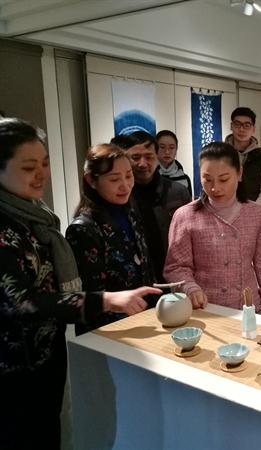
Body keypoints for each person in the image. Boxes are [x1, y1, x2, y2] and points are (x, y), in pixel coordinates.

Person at [0, 118, 161, 450]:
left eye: (45, 163)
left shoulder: (35, 218)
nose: (41, 174)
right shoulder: (12, 228)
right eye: (28, 167)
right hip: (13, 368)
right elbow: (21, 301)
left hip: (48, 356)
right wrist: (106, 300)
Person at [163, 141, 261, 316]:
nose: (215, 187)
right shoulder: (185, 215)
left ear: (239, 174)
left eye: (224, 179)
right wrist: (189, 287)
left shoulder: (255, 213)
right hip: (205, 309)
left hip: (248, 308)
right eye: (207, 179)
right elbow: (176, 266)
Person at [66, 143, 155, 335]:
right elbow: (90, 297)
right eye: (114, 179)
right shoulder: (84, 229)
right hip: (108, 331)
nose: (125, 185)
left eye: (129, 176)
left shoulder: (131, 213)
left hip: (143, 319)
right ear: (91, 180)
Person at [112, 131, 191, 283]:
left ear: (157, 156)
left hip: (174, 276)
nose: (143, 163)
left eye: (149, 157)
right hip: (135, 280)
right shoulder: (121, 196)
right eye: (135, 157)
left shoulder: (178, 192)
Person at [224, 107, 261, 210]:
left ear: (253, 129)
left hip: (254, 213)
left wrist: (253, 212)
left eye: (246, 125)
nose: (241, 129)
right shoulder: (220, 153)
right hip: (224, 211)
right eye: (237, 124)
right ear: (231, 126)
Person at [156, 129, 192, 196]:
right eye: (162, 147)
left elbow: (188, 202)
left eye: (171, 148)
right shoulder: (148, 176)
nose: (167, 152)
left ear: (176, 150)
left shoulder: (184, 178)